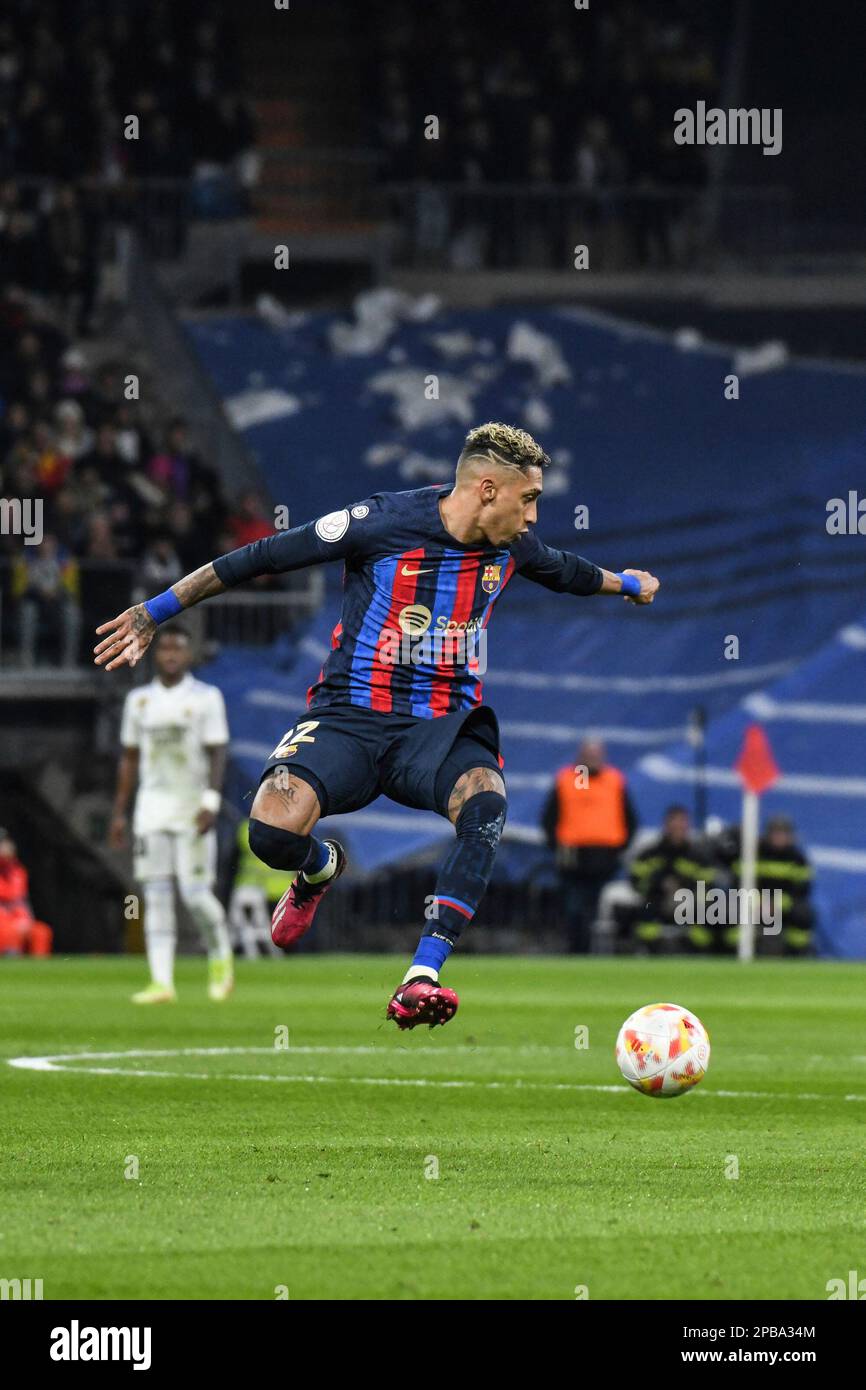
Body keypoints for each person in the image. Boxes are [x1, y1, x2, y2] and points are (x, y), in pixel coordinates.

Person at [94, 422, 660, 1028]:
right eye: (529, 499)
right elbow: (259, 557)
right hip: (349, 717)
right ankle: (319, 868)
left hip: (439, 729)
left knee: (487, 802)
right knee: (270, 835)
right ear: (488, 489)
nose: (533, 517)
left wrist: (625, 583)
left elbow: (564, 570)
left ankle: (423, 972)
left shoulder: (511, 547)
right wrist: (155, 612)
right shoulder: (381, 522)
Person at [109, 624, 234, 1003]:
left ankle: (221, 955)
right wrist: (119, 813)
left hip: (191, 806)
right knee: (157, 895)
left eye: (178, 649)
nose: (170, 655)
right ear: (155, 654)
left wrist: (211, 801)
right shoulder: (139, 701)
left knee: (195, 895)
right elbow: (129, 759)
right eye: (164, 649)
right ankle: (162, 981)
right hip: (151, 808)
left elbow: (218, 751)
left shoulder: (206, 697)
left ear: (188, 654)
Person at [542, 737, 638, 953]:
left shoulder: (614, 780)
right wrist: (558, 847)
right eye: (588, 755)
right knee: (574, 908)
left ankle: (602, 952)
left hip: (605, 857)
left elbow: (630, 819)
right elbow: (549, 819)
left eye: (595, 754)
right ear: (580, 756)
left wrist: (619, 847)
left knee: (602, 909)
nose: (592, 759)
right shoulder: (568, 780)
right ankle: (576, 950)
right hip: (573, 857)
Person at [621, 805, 718, 954]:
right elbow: (636, 882)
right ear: (666, 825)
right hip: (656, 901)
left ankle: (697, 954)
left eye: (682, 823)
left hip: (690, 904)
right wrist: (659, 885)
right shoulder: (650, 854)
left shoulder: (699, 857)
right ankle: (650, 952)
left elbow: (709, 885)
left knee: (710, 914)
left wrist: (683, 889)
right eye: (674, 823)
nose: (678, 827)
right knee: (643, 910)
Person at [0, 829, 53, 956]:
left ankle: (39, 972)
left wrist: (24, 920)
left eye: (6, 842)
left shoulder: (18, 872)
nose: (6, 847)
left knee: (41, 932)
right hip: (4, 923)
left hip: (18, 920)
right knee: (8, 933)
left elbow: (20, 902)